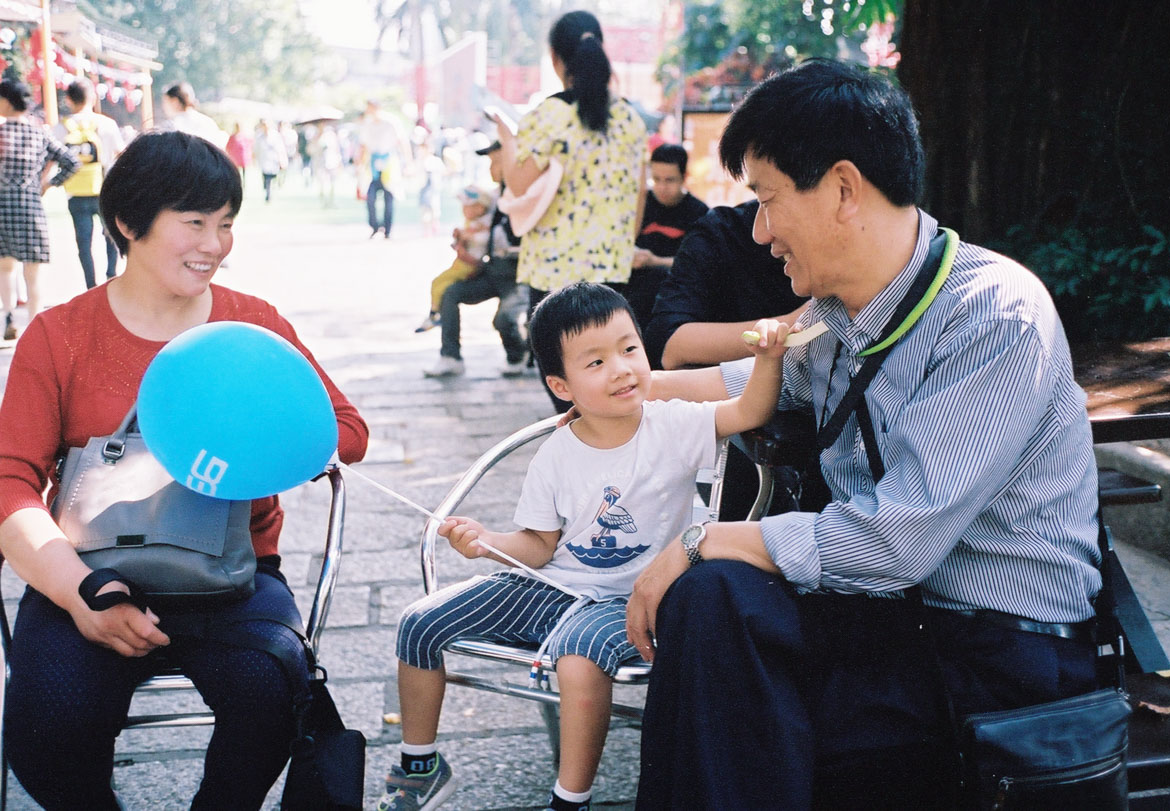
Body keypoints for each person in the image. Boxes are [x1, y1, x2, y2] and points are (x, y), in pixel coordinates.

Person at [626, 58, 1103, 809]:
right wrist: (627, 396)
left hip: (1005, 655)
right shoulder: (839, 316)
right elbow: (741, 383)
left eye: (768, 198)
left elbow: (895, 541)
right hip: (898, 624)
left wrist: (698, 539)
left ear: (844, 190)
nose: (760, 231)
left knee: (714, 604)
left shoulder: (994, 315)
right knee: (712, 605)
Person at [0, 130, 369, 809]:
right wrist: (79, 590)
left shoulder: (250, 324)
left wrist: (250, 433)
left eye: (226, 224)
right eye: (194, 222)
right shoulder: (58, 334)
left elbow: (346, 433)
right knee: (45, 724)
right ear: (127, 223)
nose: (215, 244)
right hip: (89, 571)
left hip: (234, 579)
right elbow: (10, 483)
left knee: (275, 692)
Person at [376, 282, 787, 811]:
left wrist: (768, 359)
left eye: (629, 348)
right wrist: (487, 544)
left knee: (578, 655)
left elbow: (749, 411)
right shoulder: (556, 454)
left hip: (636, 598)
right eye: (595, 362)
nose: (620, 368)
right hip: (553, 585)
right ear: (560, 385)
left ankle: (571, 799)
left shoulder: (676, 423)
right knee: (418, 622)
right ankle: (421, 766)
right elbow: (539, 545)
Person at [493, 9, 647, 412]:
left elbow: (519, 183)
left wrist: (507, 140)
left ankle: (584, 454)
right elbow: (638, 200)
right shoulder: (631, 119)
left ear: (557, 60)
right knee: (612, 381)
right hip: (613, 277)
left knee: (568, 383)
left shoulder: (550, 115)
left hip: (554, 278)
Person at [643, 200, 806, 370]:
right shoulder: (722, 232)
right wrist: (794, 322)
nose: (760, 234)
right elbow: (665, 341)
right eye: (763, 199)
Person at [423, 141, 529, 379]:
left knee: (503, 320)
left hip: (519, 274)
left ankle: (520, 354)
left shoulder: (526, 195)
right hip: (492, 269)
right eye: (490, 162)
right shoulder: (490, 199)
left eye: (497, 162)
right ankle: (451, 357)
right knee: (450, 292)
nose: (492, 169)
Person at [0, 79, 79, 341]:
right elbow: (72, 161)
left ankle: (9, 316)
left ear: (7, 102)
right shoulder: (40, 133)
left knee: (5, 269)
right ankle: (34, 329)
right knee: (33, 274)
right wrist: (48, 184)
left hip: (1, 207)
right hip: (30, 207)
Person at [624, 143, 708, 330]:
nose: (661, 187)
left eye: (669, 180)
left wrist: (655, 261)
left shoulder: (698, 212)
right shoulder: (640, 205)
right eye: (656, 179)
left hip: (673, 291)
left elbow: (698, 262)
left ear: (684, 177)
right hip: (634, 289)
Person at [53, 79, 125, 291]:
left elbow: (53, 158)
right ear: (92, 97)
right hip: (105, 189)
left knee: (83, 242)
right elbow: (121, 154)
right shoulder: (106, 123)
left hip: (76, 192)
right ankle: (112, 275)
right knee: (111, 234)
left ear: (68, 100)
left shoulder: (61, 127)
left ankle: (91, 285)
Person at [415, 184, 494, 336]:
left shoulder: (482, 225)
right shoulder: (472, 224)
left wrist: (467, 236)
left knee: (441, 285)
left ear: (480, 208)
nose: (463, 210)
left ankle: (434, 314)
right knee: (439, 283)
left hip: (468, 265)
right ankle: (436, 314)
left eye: (468, 206)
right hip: (462, 262)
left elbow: (483, 239)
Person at [357, 99, 406, 239]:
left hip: (389, 164)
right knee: (370, 197)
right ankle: (374, 226)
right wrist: (359, 163)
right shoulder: (367, 125)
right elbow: (362, 145)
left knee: (389, 198)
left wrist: (408, 162)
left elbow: (402, 142)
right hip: (372, 165)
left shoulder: (391, 122)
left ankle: (388, 230)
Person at [160, 82, 225, 146]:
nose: (163, 106)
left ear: (175, 101)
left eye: (165, 102)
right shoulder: (207, 121)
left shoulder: (172, 126)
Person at [253, 119, 287, 203]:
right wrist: (254, 158)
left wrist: (281, 159)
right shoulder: (259, 136)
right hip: (264, 160)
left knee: (272, 176)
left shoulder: (275, 136)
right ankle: (268, 193)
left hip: (273, 160)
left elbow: (280, 148)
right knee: (266, 177)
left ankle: (271, 189)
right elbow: (256, 149)